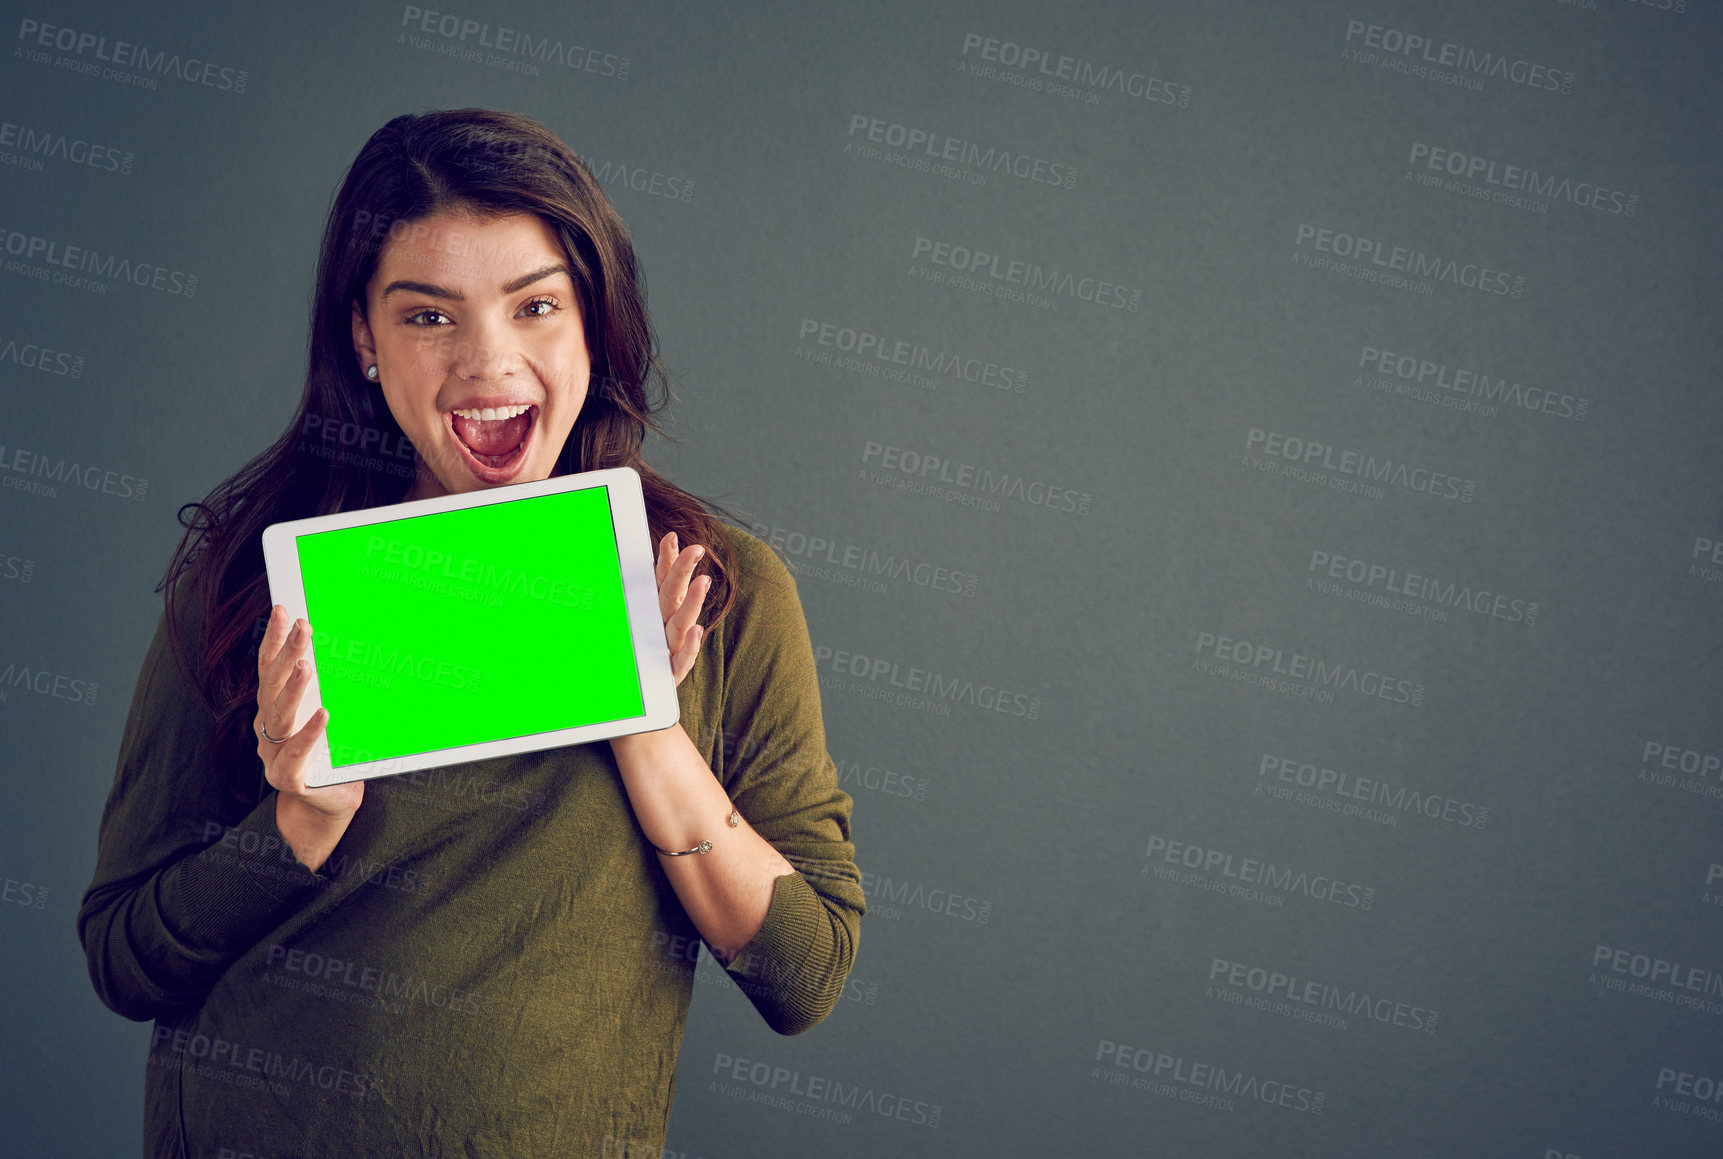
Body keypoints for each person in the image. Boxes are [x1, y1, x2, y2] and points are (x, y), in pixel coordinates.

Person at [77, 108, 865, 1158]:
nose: (489, 362)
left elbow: (802, 976)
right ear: (363, 335)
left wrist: (642, 720)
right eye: (428, 317)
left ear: (595, 322)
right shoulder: (253, 578)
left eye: (535, 305)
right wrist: (297, 822)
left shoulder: (716, 586)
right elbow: (127, 962)